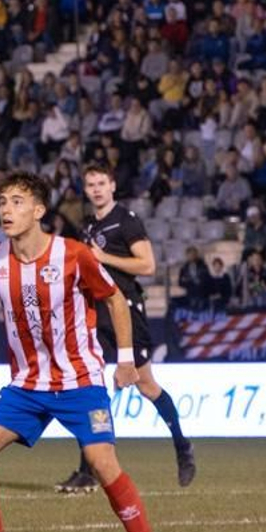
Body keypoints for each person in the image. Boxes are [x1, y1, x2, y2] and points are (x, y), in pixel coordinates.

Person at [0, 172, 168, 532]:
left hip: (80, 381)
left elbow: (115, 300)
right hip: (27, 385)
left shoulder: (73, 255)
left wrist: (124, 361)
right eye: (2, 202)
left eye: (17, 201)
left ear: (39, 210)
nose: (6, 210)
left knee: (102, 463)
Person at [54, 165, 196, 493]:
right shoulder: (88, 225)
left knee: (146, 385)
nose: (96, 189)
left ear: (112, 185)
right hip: (96, 314)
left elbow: (147, 265)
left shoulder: (126, 219)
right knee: (90, 387)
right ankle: (87, 470)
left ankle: (182, 445)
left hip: (127, 311)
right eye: (90, 184)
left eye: (102, 183)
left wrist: (103, 257)